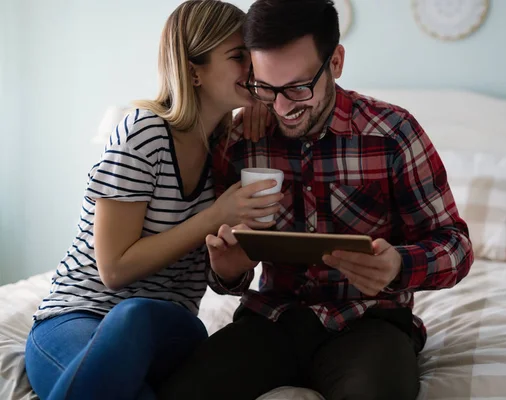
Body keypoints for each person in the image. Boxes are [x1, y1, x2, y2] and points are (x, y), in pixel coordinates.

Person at [157, 0, 474, 399]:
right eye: (266, 88)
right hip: (270, 321)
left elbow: (456, 246)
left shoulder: (393, 134)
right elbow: (226, 274)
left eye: (297, 88)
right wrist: (227, 269)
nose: (282, 108)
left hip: (370, 322)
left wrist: (399, 265)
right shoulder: (239, 140)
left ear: (336, 62)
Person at [24, 1, 276, 399]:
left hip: (170, 327)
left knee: (138, 314)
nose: (254, 67)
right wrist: (215, 215)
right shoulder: (144, 133)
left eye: (254, 56)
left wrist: (231, 263)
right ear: (194, 70)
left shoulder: (232, 151)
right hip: (77, 315)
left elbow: (221, 278)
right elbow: (114, 268)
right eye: (238, 56)